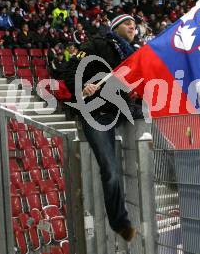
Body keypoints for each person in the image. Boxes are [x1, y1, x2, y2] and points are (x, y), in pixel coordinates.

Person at [65, 14, 141, 242]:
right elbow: (68, 71)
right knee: (110, 171)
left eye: (135, 25)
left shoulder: (132, 53)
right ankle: (120, 223)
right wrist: (83, 86)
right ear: (116, 26)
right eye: (128, 23)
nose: (133, 27)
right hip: (97, 113)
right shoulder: (95, 44)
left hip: (122, 109)